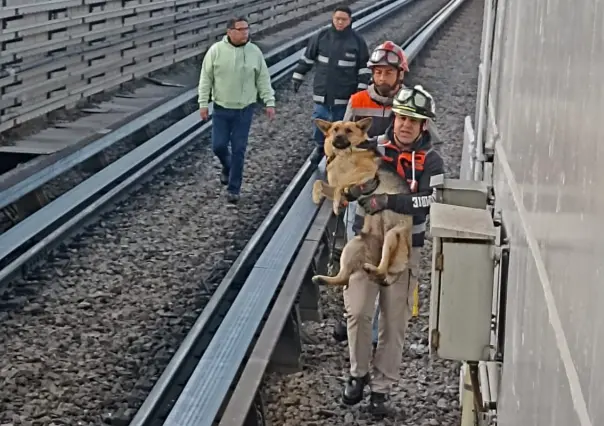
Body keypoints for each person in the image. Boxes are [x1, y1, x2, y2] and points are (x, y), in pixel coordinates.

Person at [340, 85, 445, 415]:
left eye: (413, 121)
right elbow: (347, 174)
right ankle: (358, 373)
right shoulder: (371, 147)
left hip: (403, 250)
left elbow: (429, 202)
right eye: (401, 118)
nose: (405, 125)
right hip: (366, 242)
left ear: (423, 125)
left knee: (394, 323)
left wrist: (389, 200)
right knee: (357, 311)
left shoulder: (431, 161)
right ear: (393, 118)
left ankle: (382, 389)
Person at [198, 16, 276, 204]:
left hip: (244, 109)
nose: (245, 33)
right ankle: (228, 166)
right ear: (230, 32)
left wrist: (269, 101)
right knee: (219, 146)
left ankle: (234, 189)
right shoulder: (216, 51)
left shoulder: (254, 52)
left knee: (239, 148)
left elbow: (263, 79)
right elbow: (206, 78)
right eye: (240, 30)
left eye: (247, 29)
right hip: (222, 108)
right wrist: (203, 103)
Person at [290, 5, 370, 165]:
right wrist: (298, 76)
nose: (340, 22)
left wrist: (361, 90)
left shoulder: (357, 42)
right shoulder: (321, 37)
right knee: (320, 126)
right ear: (333, 19)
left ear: (350, 20)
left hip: (344, 97)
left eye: (343, 19)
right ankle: (320, 148)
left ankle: (338, 159)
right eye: (337, 19)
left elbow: (363, 68)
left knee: (341, 132)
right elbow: (308, 59)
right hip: (322, 94)